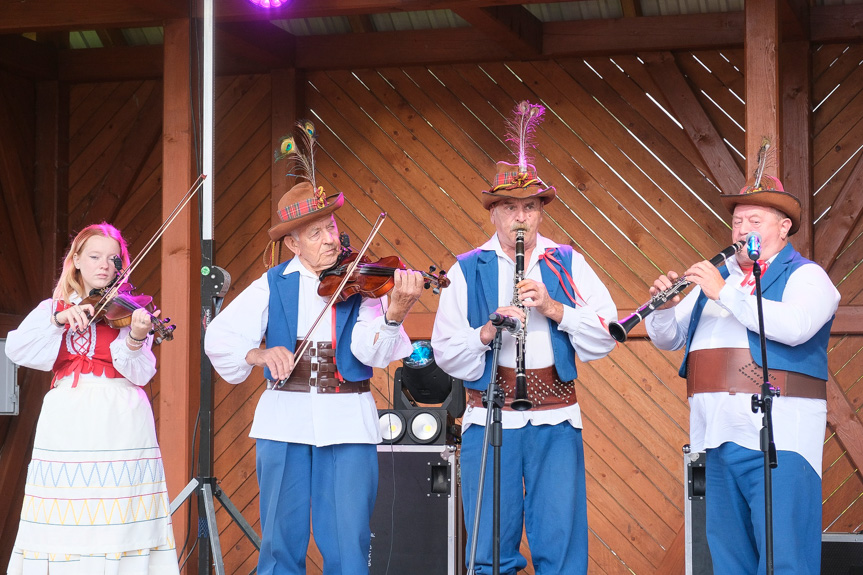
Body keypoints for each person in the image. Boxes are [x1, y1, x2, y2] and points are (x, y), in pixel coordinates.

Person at [204, 122, 424, 575]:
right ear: (292, 242)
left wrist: (395, 312)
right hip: (284, 421)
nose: (330, 239)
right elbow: (219, 337)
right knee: (281, 544)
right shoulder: (272, 283)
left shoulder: (360, 283)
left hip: (347, 421)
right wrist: (259, 355)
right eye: (316, 232)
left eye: (331, 227)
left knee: (348, 542)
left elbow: (371, 351)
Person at [431, 101, 617, 575]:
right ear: (493, 213)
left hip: (557, 416)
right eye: (510, 208)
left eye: (529, 208)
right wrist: (489, 330)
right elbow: (447, 352)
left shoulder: (567, 261)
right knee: (490, 544)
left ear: (540, 213)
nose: (521, 218)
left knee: (560, 538)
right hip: (489, 414)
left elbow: (606, 334)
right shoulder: (467, 267)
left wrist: (555, 310)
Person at [644, 168, 839, 575]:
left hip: (779, 440)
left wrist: (725, 292)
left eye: (755, 221)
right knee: (730, 561)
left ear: (783, 228)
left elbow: (796, 326)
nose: (742, 229)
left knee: (786, 559)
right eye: (737, 222)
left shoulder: (807, 276)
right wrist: (661, 310)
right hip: (715, 436)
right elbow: (667, 337)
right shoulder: (718, 281)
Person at [4, 222, 179, 575]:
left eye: (112, 259)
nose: (103, 265)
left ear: (121, 267)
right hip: (67, 418)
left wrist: (136, 338)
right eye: (94, 256)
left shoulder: (130, 310)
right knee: (66, 512)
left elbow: (141, 372)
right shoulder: (51, 308)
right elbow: (18, 349)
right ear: (77, 261)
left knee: (119, 514)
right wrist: (57, 320)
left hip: (122, 418)